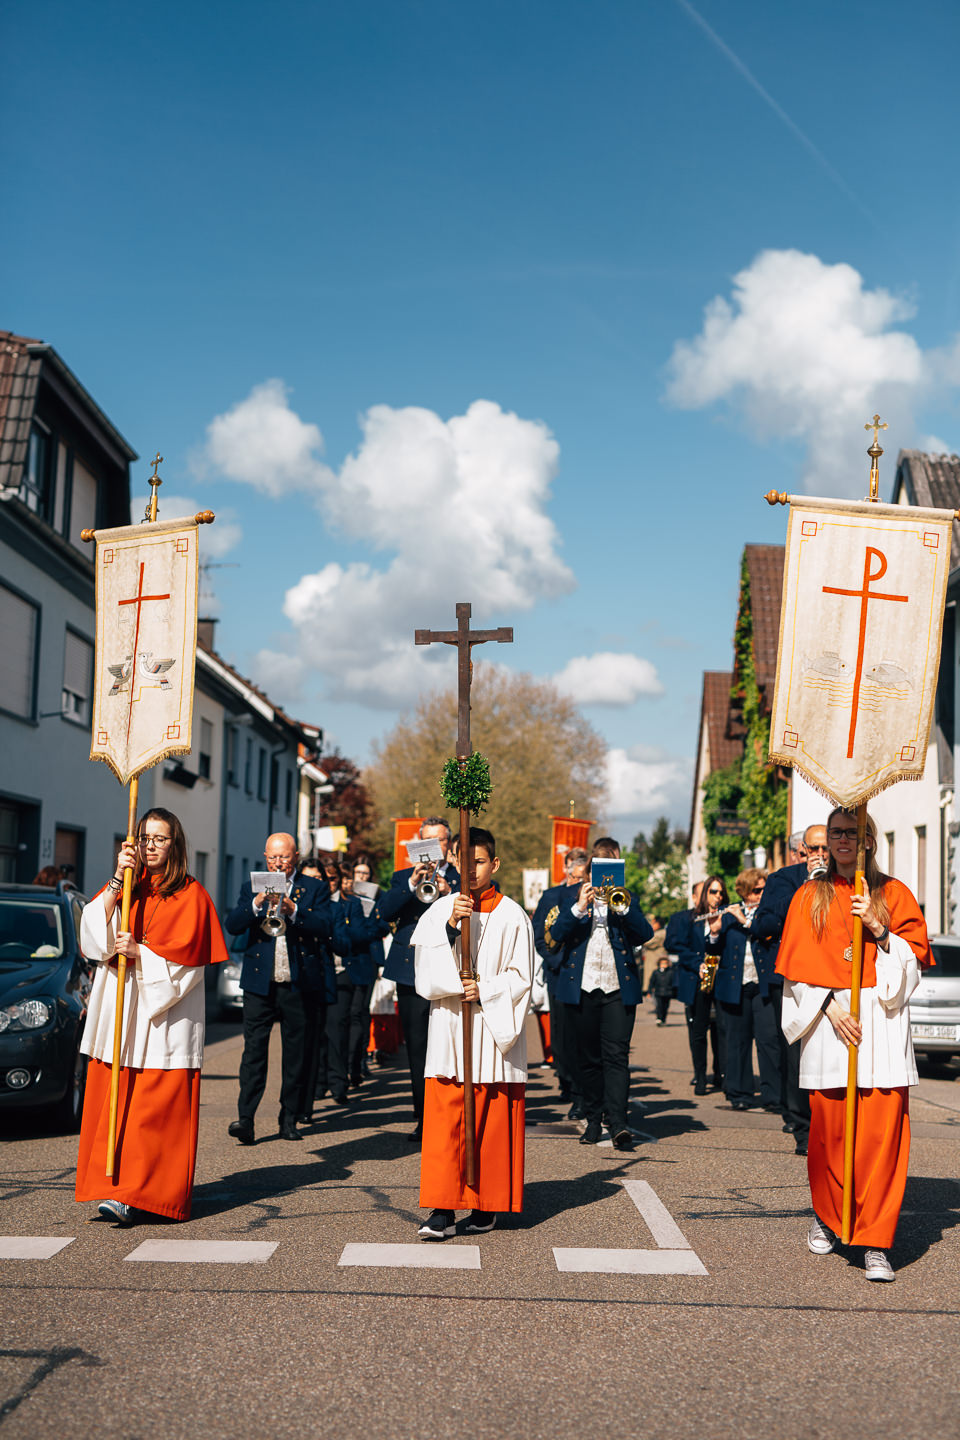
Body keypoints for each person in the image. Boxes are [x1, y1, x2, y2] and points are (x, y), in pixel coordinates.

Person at [777, 807, 932, 1282]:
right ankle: (828, 1216)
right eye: (836, 834)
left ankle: (874, 1240)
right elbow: (796, 970)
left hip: (880, 1027)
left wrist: (881, 928)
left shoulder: (895, 892)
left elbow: (913, 964)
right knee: (831, 1136)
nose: (843, 841)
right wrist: (829, 1007)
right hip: (831, 1026)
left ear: (869, 839)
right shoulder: (810, 896)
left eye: (852, 833)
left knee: (881, 1141)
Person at [75, 808, 227, 1225]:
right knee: (119, 1104)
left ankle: (144, 1193)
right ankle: (115, 1187)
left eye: (160, 839)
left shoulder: (192, 895)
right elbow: (92, 937)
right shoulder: (128, 887)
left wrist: (142, 954)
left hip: (164, 1021)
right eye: (144, 838)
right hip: (122, 1012)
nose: (150, 846)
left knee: (152, 1112)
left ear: (175, 844)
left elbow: (191, 967)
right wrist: (115, 880)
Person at [413, 827, 534, 1239]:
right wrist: (450, 927)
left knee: (488, 1120)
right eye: (464, 861)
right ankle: (442, 1209)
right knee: (447, 1121)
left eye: (479, 862)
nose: (471, 869)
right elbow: (424, 971)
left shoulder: (514, 915)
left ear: (494, 864)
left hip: (490, 1030)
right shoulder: (440, 910)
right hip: (451, 1029)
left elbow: (523, 978)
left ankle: (484, 1206)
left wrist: (484, 989)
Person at [225, 833, 337, 1143]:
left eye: (284, 858)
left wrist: (294, 911)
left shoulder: (313, 888)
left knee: (295, 1054)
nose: (278, 863)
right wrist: (256, 903)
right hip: (259, 983)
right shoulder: (251, 886)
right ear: (265, 857)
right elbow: (233, 925)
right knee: (253, 1052)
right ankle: (245, 1119)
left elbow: (326, 927)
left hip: (298, 982)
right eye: (273, 858)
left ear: (296, 857)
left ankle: (289, 1118)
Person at [546, 837, 653, 1150]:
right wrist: (580, 907)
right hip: (582, 988)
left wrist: (622, 906)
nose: (602, 879)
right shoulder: (571, 896)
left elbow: (644, 934)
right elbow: (555, 935)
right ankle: (593, 1120)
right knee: (589, 1058)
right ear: (589, 872)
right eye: (597, 872)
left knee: (617, 1056)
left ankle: (618, 1122)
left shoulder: (623, 900)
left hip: (618, 988)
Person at [377, 817, 460, 1140]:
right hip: (412, 971)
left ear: (449, 844)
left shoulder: (457, 878)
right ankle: (424, 1117)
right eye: (427, 840)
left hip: (449, 969)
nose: (434, 847)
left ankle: (450, 1115)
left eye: (439, 841)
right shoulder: (403, 877)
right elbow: (384, 912)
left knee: (451, 1044)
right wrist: (413, 885)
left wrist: (448, 892)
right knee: (418, 1047)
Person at [752, 822, 830, 1155]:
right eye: (814, 849)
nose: (821, 855)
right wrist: (807, 888)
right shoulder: (784, 879)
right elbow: (764, 925)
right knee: (796, 1056)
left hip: (831, 975)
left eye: (825, 848)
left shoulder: (845, 879)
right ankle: (801, 1126)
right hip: (793, 979)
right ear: (802, 852)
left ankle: (829, 1126)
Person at [705, 868, 781, 1111]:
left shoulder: (768, 913)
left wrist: (744, 920)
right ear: (745, 891)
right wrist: (714, 933)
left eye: (764, 890)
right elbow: (713, 950)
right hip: (735, 986)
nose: (761, 894)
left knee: (768, 1040)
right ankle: (739, 1092)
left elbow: (766, 933)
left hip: (763, 986)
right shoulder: (727, 915)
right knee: (737, 1041)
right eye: (757, 890)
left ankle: (773, 1096)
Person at [322, 856, 386, 1102]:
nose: (357, 879)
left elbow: (377, 927)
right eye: (353, 874)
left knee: (357, 1015)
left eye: (361, 874)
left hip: (363, 962)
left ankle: (354, 1066)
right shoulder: (340, 902)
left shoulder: (369, 897)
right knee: (340, 1019)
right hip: (343, 965)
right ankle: (337, 1072)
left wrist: (362, 928)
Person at [531, 847, 588, 1117]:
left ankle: (578, 1085)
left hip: (581, 971)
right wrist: (555, 962)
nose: (578, 882)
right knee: (561, 1032)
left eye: (582, 877)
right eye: (575, 876)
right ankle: (565, 1079)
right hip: (557, 972)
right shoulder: (552, 896)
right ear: (567, 871)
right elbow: (539, 935)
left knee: (579, 1033)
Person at [670, 876, 727, 1095]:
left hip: (720, 979)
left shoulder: (725, 916)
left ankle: (720, 1073)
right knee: (698, 1030)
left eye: (719, 893)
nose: (716, 897)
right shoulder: (687, 919)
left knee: (720, 1029)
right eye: (712, 892)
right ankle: (700, 1076)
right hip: (697, 980)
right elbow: (676, 945)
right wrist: (697, 963)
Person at [647, 954, 676, 1025]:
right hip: (658, 992)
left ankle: (663, 1018)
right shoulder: (656, 972)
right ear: (659, 964)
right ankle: (659, 1018)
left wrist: (674, 992)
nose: (664, 965)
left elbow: (674, 983)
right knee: (659, 1006)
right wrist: (649, 992)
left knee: (665, 1007)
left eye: (665, 963)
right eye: (662, 963)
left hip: (668, 992)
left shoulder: (671, 972)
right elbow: (651, 982)